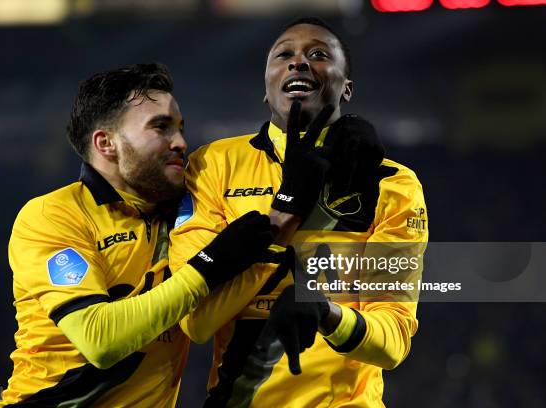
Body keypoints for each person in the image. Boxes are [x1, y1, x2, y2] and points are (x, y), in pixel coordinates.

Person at [169, 17, 429, 407]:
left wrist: (325, 313)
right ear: (266, 87)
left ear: (347, 88)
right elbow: (197, 320)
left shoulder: (392, 184)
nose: (299, 62)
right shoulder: (213, 165)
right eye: (284, 54)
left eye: (319, 54)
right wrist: (287, 218)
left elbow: (392, 342)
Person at [0, 63, 278, 407]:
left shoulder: (188, 211)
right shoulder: (54, 215)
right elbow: (99, 339)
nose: (181, 142)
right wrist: (207, 269)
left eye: (180, 128)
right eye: (161, 127)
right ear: (106, 143)